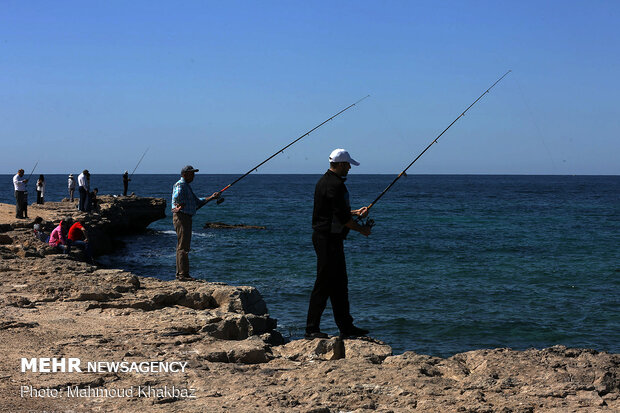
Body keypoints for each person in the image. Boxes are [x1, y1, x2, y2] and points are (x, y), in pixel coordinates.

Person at [305, 149, 372, 339]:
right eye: (348, 164)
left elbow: (335, 211)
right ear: (341, 164)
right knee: (323, 284)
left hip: (330, 239)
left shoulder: (325, 182)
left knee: (340, 285)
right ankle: (311, 329)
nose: (350, 168)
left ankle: (346, 327)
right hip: (327, 240)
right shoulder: (335, 185)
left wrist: (355, 212)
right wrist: (362, 230)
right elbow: (341, 219)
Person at [171, 165, 220, 281]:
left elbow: (197, 202)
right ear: (184, 174)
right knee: (183, 246)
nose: (193, 176)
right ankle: (183, 275)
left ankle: (181, 274)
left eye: (193, 173)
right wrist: (179, 205)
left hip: (185, 217)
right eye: (191, 173)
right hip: (182, 217)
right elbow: (177, 196)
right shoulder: (181, 184)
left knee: (183, 246)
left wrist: (211, 197)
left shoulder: (186, 186)